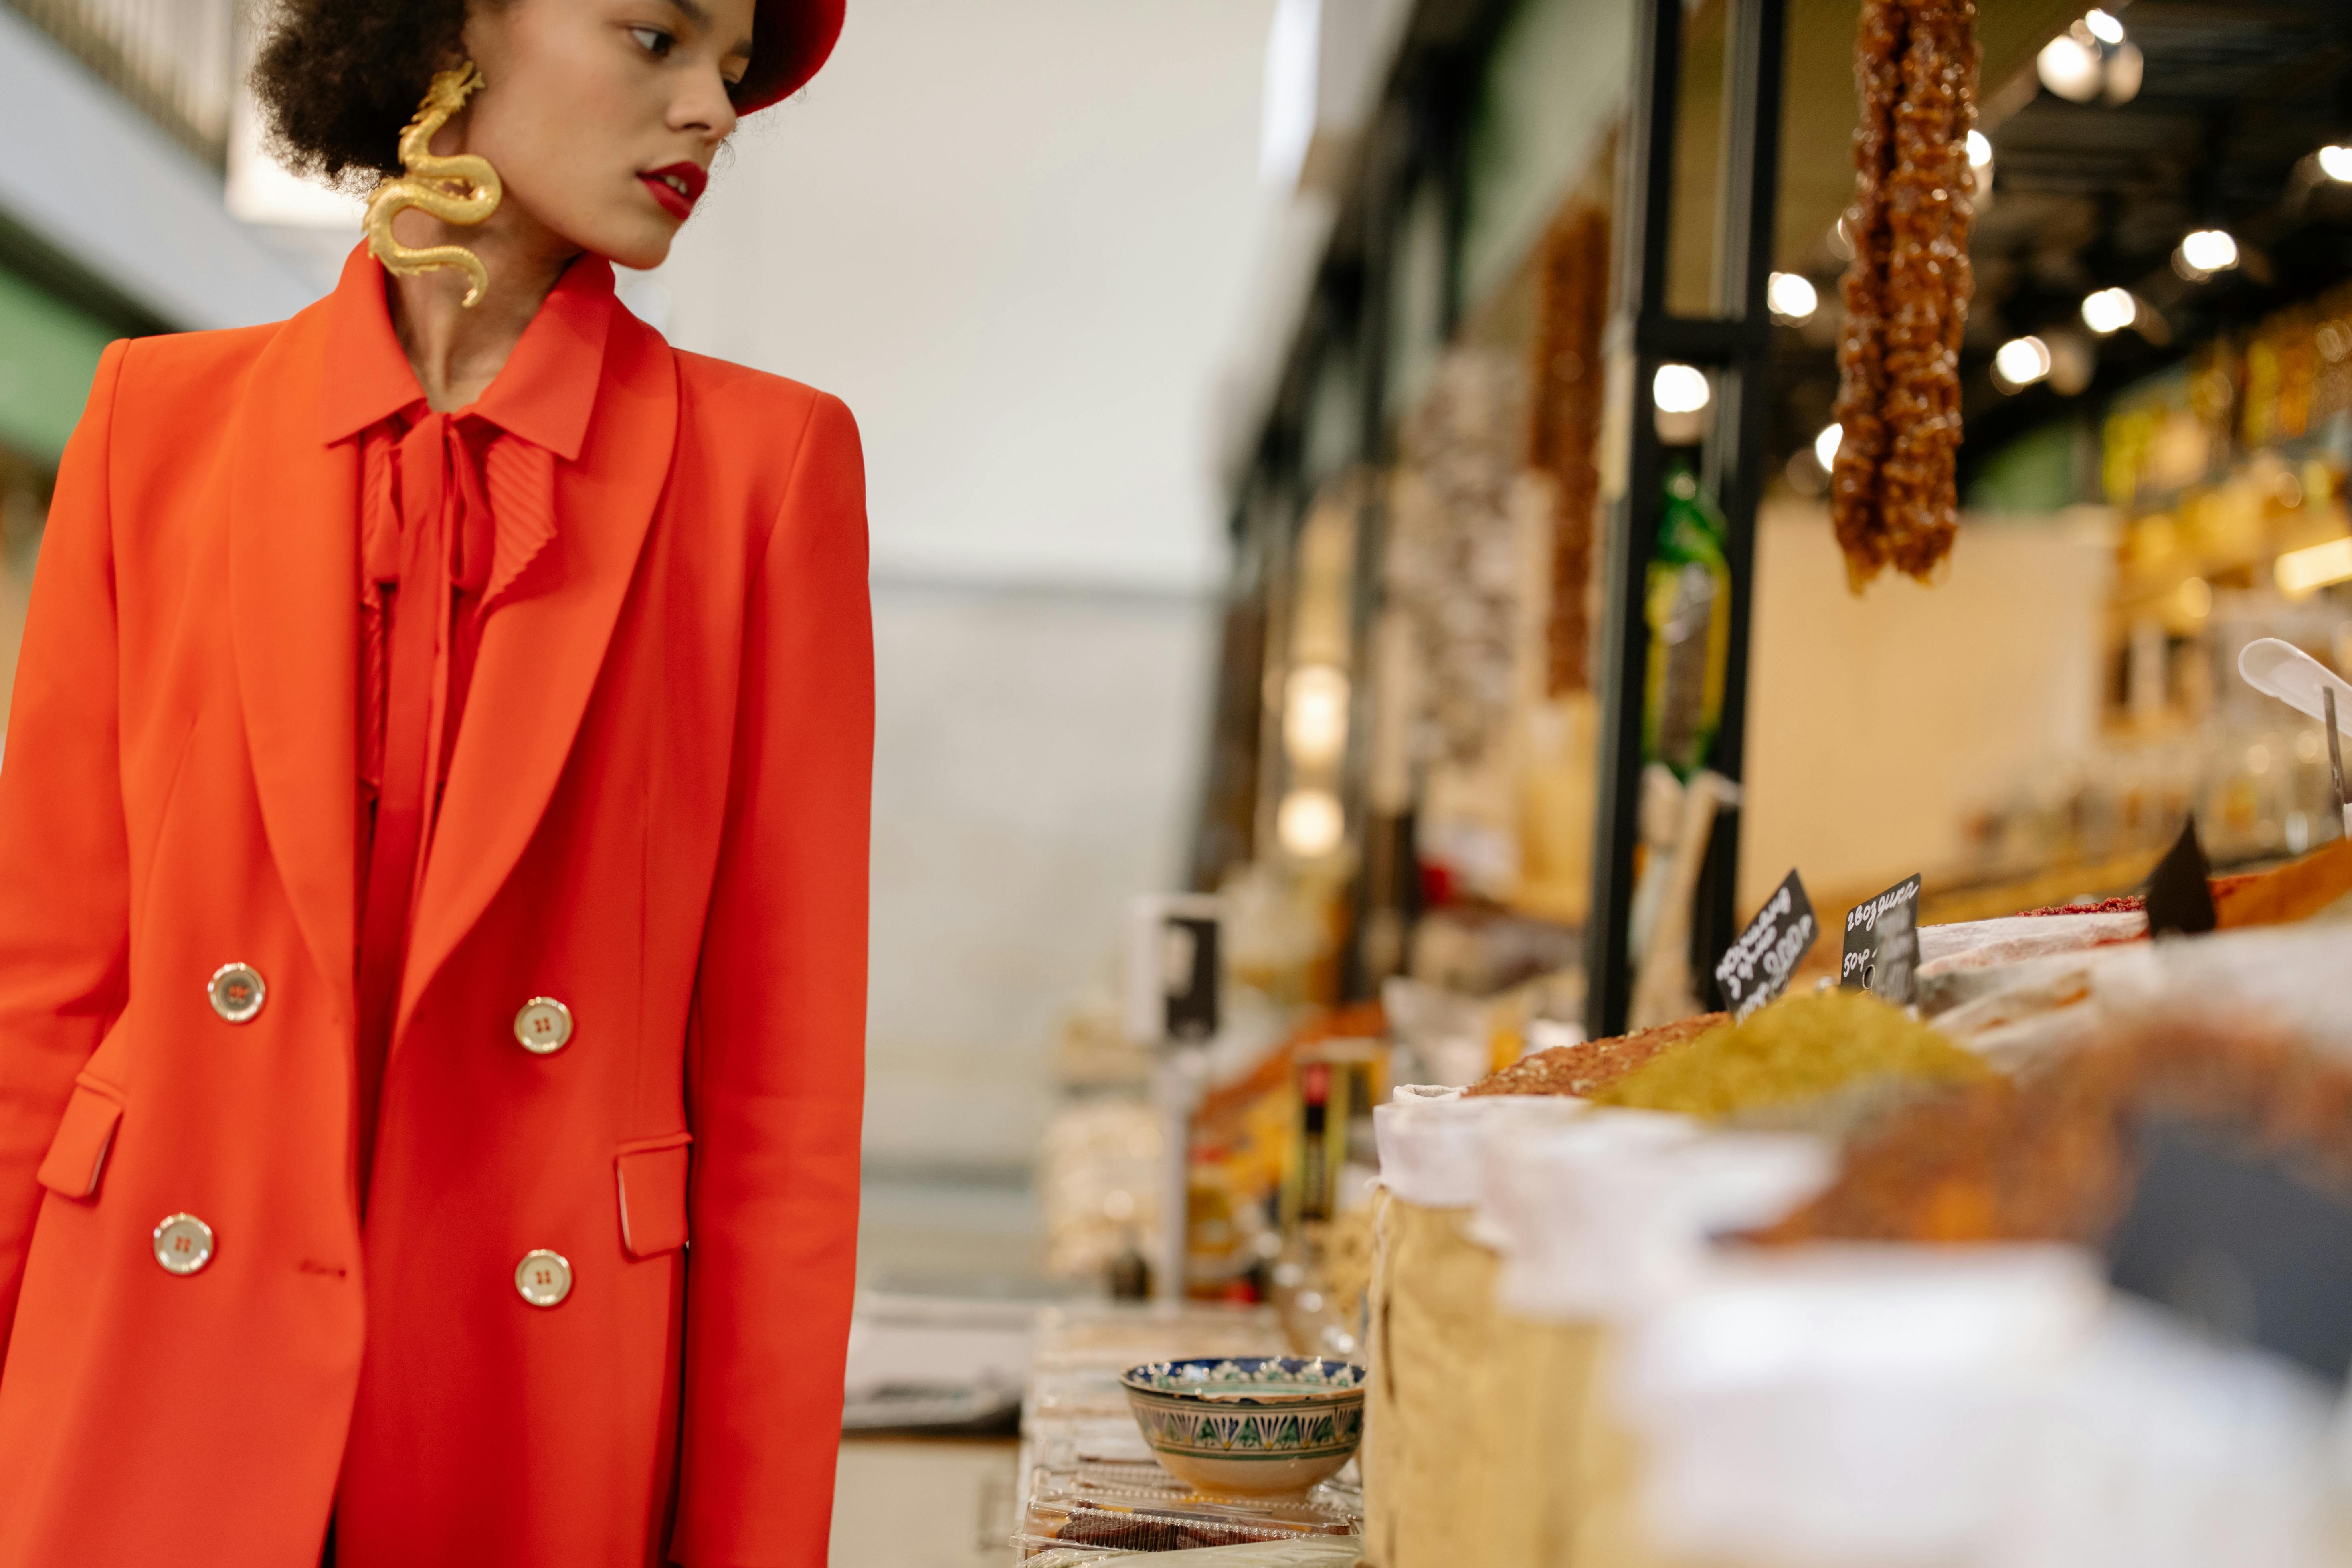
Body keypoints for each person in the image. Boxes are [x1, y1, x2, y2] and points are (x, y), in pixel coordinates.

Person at [0, 1, 868, 1563]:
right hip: (143, 1367)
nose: (714, 114)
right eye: (658, 37)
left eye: (734, 73)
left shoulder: (769, 475)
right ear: (454, 25)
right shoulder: (154, 423)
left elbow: (780, 1103)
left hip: (528, 1397)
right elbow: (45, 994)